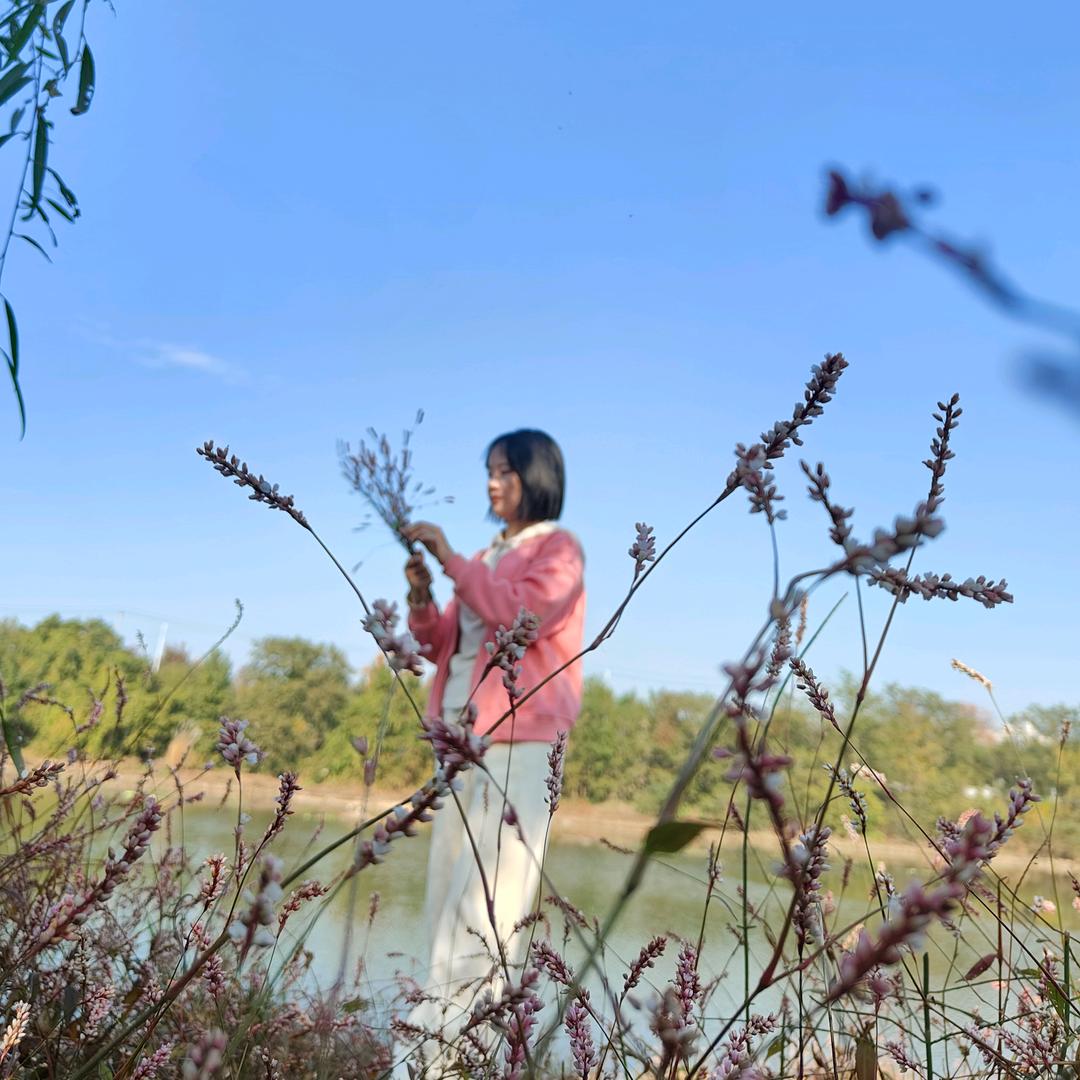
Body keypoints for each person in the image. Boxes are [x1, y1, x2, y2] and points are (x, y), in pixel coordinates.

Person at [397, 428, 585, 1071]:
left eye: (504, 471)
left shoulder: (559, 549)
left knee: (488, 900)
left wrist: (450, 557)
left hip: (521, 739)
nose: (492, 482)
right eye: (489, 471)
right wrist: (425, 592)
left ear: (538, 477)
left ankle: (454, 1053)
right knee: (444, 892)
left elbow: (519, 616)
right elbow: (440, 640)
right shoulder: (487, 553)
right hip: (460, 740)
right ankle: (435, 1049)